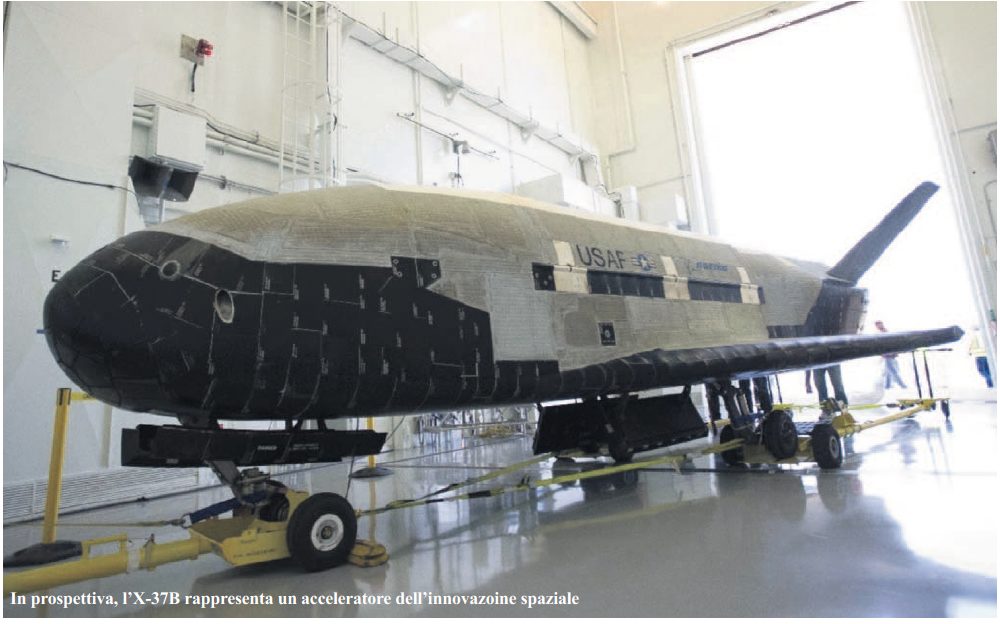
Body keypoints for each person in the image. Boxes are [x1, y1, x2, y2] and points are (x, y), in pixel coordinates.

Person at [874, 320, 907, 389]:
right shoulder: (882, 333)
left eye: (879, 324)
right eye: (877, 325)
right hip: (888, 354)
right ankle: (890, 386)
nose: (878, 326)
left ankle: (900, 386)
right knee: (890, 371)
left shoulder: (884, 332)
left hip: (889, 354)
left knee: (892, 371)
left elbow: (889, 343)